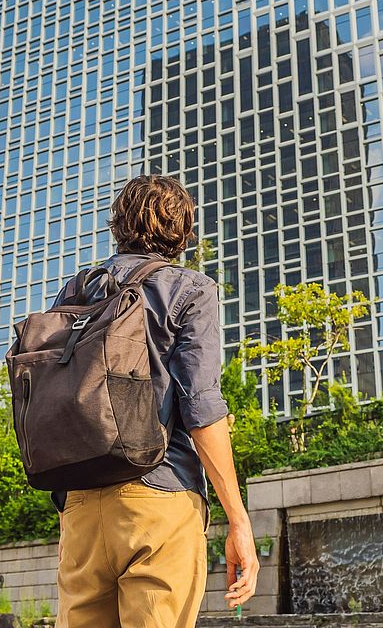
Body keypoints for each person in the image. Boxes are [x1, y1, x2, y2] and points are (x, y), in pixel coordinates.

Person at [50, 174, 259, 628]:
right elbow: (201, 407)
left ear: (118, 225)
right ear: (182, 233)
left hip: (82, 506)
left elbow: (57, 401)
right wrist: (238, 521)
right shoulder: (191, 290)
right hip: (159, 499)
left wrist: (69, 508)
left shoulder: (76, 290)